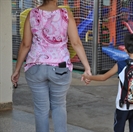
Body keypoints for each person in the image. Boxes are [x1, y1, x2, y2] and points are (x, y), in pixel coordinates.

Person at [11, 0, 91, 132]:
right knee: (59, 106)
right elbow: (76, 42)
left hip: (36, 67)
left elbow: (25, 44)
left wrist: (17, 69)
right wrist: (87, 68)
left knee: (41, 109)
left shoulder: (32, 14)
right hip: (60, 67)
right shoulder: (65, 14)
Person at [82, 33, 133, 132]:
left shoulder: (122, 64)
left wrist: (89, 77)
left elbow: (103, 77)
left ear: (125, 50)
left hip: (123, 106)